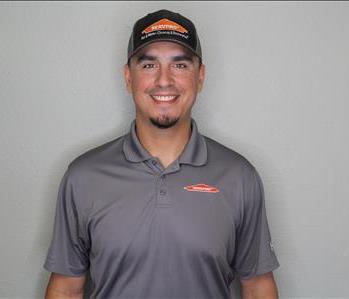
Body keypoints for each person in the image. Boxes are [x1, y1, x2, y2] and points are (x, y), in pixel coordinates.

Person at [43, 9, 280, 298]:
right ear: (128, 77)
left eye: (180, 65)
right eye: (148, 65)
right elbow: (66, 290)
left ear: (200, 76)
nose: (164, 81)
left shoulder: (239, 176)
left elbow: (257, 288)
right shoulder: (82, 177)